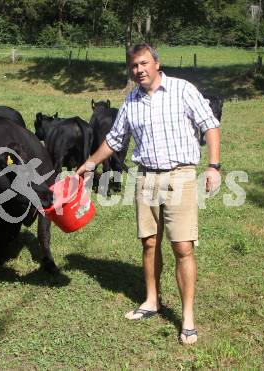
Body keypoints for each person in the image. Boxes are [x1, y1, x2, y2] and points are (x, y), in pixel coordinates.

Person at [76, 43, 221, 345]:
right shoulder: (131, 100)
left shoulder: (182, 90)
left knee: (183, 247)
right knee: (149, 243)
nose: (138, 70)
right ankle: (152, 301)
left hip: (180, 176)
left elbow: (210, 126)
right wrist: (90, 163)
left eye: (143, 63)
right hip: (145, 178)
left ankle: (188, 317)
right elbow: (115, 140)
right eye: (133, 66)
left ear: (156, 63)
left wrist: (214, 166)